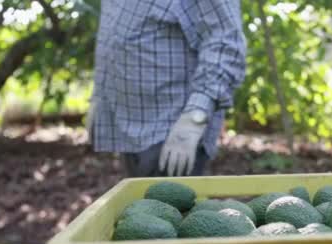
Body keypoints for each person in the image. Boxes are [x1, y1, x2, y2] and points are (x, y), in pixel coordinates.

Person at [87, 0, 247, 177]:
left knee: (168, 203)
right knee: (139, 202)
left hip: (173, 129)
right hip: (126, 125)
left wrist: (194, 119)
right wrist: (99, 97)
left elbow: (226, 42)